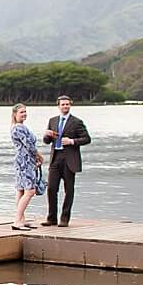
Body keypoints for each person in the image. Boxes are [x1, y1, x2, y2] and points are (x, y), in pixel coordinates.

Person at [41, 94, 91, 227]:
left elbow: (87, 139)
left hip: (69, 159)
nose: (65, 106)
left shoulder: (77, 122)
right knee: (51, 188)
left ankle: (64, 218)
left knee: (69, 190)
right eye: (63, 104)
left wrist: (72, 141)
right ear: (58, 106)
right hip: (55, 158)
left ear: (70, 105)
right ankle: (51, 218)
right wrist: (47, 135)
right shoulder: (53, 120)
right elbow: (46, 141)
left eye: (67, 104)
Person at [9, 103, 44, 231]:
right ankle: (17, 220)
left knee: (21, 190)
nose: (24, 114)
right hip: (25, 161)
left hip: (22, 160)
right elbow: (29, 145)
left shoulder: (19, 127)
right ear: (15, 114)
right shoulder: (18, 128)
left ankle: (21, 219)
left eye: (25, 112)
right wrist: (38, 156)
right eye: (21, 112)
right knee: (30, 191)